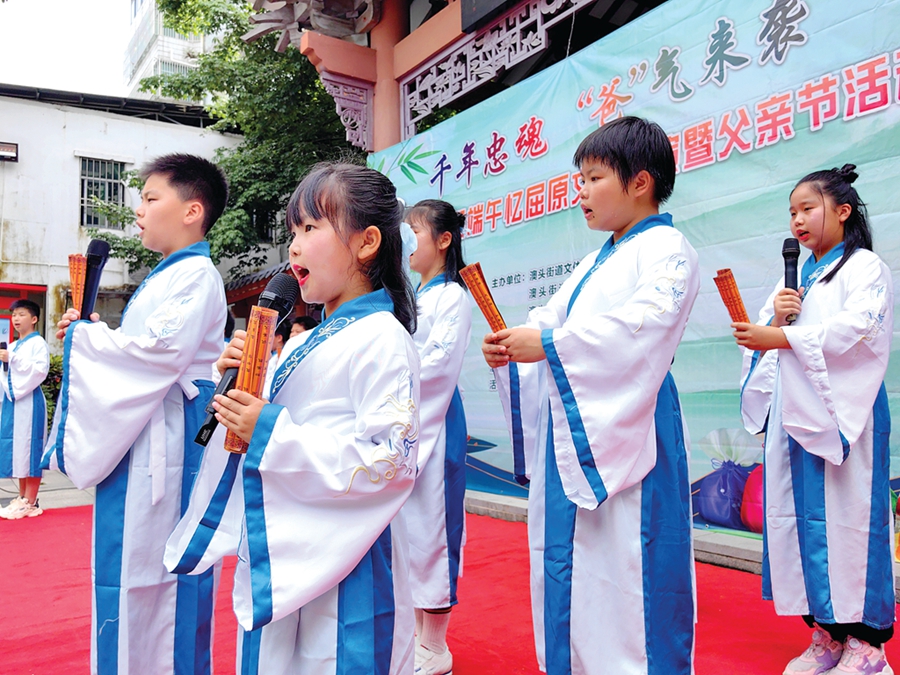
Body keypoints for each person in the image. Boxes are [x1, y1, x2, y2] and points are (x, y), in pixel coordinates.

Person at [165, 163, 421, 675]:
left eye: (309, 228)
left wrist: (268, 430)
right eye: (292, 232)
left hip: (348, 556)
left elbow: (390, 462)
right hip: (289, 544)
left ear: (367, 242)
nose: (294, 248)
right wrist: (243, 389)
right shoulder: (308, 340)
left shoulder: (383, 337)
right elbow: (276, 422)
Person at [482, 116, 699, 674]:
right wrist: (516, 346)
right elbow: (551, 319)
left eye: (594, 178)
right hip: (575, 429)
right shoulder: (595, 260)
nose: (580, 192)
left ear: (640, 182)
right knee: (573, 571)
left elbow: (646, 325)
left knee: (630, 574)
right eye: (580, 179)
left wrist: (548, 344)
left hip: (632, 425)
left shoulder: (669, 249)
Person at [43, 153, 228, 675]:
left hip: (171, 440)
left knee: (160, 572)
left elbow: (158, 354)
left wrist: (89, 339)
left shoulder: (196, 275)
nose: (139, 211)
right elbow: (140, 351)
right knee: (133, 569)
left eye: (150, 198)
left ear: (192, 210)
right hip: (148, 432)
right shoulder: (171, 276)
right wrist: (92, 335)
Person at [735, 164, 894, 675]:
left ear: (843, 211)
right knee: (801, 523)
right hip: (795, 422)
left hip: (847, 416)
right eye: (792, 213)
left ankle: (868, 645)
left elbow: (860, 331)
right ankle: (826, 634)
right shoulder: (794, 281)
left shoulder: (865, 268)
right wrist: (774, 322)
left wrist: (783, 336)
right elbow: (766, 346)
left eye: (808, 208)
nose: (798, 221)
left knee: (851, 522)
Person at [401, 200, 472, 675]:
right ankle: (415, 639)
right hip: (407, 420)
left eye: (416, 233)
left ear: (444, 240)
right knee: (409, 530)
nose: (407, 243)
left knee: (435, 529)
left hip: (435, 419)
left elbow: (436, 365)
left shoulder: (452, 297)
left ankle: (436, 645)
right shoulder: (413, 297)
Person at [0, 299, 49, 520]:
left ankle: (31, 500)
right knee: (18, 449)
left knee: (31, 448)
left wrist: (13, 359)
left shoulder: (38, 343)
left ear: (34, 318)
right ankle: (22, 498)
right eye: (14, 315)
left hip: (29, 400)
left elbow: (40, 371)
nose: (16, 319)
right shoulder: (12, 345)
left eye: (21, 314)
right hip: (13, 401)